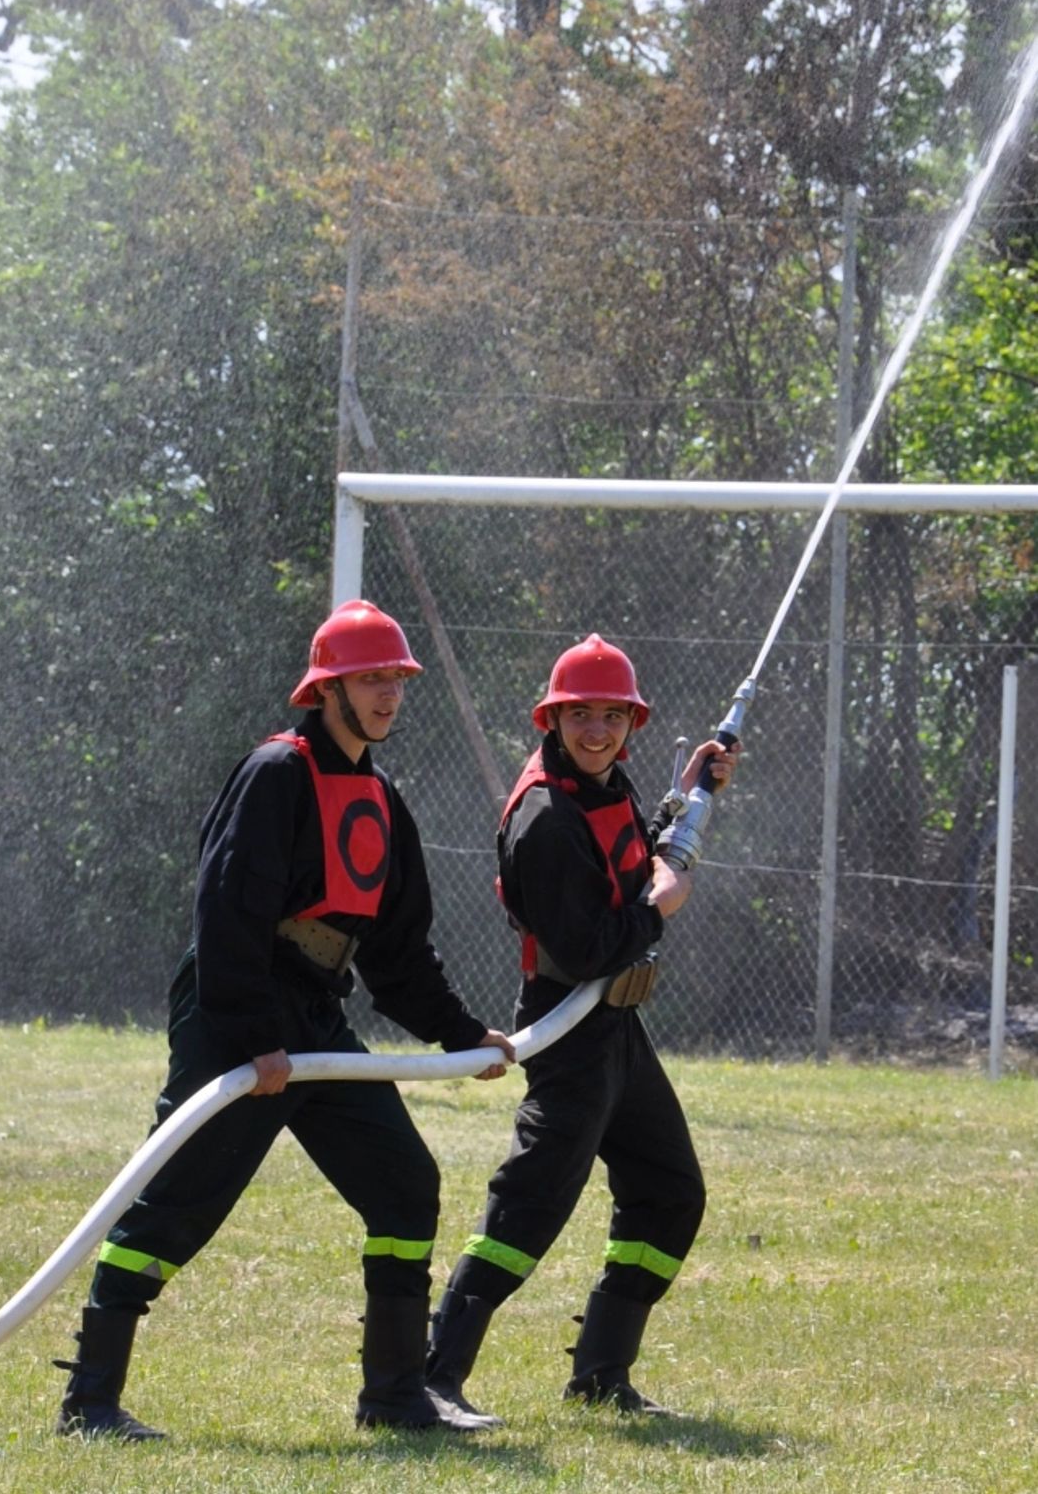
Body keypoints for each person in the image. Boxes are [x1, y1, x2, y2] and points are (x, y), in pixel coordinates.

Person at [55, 600, 515, 1441]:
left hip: (313, 1023)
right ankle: (88, 1401)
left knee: (405, 1186)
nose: (387, 696)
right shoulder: (277, 772)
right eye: (370, 679)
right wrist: (251, 1039)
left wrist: (462, 1035)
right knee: (176, 1205)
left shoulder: (382, 797)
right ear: (327, 688)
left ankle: (395, 1395)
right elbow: (226, 912)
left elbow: (399, 954)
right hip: (237, 1014)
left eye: (396, 681)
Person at [425, 633, 738, 1426]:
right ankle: (433, 1374)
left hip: (616, 1027)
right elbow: (588, 944)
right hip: (568, 1030)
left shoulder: (601, 783)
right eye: (581, 715)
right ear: (553, 718)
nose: (597, 729)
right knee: (529, 1207)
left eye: (612, 715)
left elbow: (631, 860)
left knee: (669, 1194)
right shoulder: (545, 814)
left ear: (631, 721)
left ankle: (602, 1373)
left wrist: (693, 795)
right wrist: (661, 903)